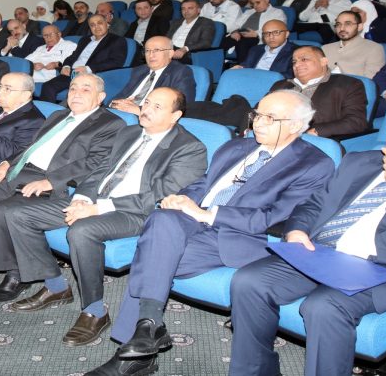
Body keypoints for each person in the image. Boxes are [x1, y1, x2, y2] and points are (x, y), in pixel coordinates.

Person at [87, 91, 335, 376]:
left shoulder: (314, 164)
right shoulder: (236, 147)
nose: (258, 122)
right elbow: (204, 184)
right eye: (257, 114)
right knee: (162, 219)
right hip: (194, 218)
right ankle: (149, 326)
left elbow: (273, 217)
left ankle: (133, 353)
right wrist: (182, 198)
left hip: (239, 234)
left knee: (152, 255)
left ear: (295, 125)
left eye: (270, 118)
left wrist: (209, 214)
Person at [228, 109, 386, 376]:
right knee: (248, 281)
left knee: (323, 307)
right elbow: (314, 203)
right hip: (322, 253)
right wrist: (297, 230)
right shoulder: (360, 161)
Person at [1, 88, 207, 346]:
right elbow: (99, 172)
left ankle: (95, 312)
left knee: (82, 230)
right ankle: (56, 286)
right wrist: (82, 198)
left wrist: (98, 208)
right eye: (146, 103)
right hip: (97, 200)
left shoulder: (189, 148)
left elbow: (158, 196)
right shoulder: (129, 133)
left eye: (157, 107)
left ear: (175, 116)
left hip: (136, 212)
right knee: (16, 213)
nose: (146, 109)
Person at [0, 74, 124, 301]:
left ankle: (16, 273)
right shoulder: (59, 116)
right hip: (20, 173)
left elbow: (95, 163)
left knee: (5, 212)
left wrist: (51, 181)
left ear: (101, 97)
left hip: (51, 182)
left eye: (85, 89)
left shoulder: (110, 124)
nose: (76, 93)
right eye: (72, 88)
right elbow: (30, 147)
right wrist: (6, 164)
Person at [268, 46, 369, 137]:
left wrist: (317, 131)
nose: (297, 65)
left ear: (323, 62)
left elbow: (356, 122)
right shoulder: (281, 85)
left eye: (304, 59)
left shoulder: (347, 84)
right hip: (272, 135)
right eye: (294, 62)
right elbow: (261, 111)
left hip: (311, 140)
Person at [39, 14, 126, 102]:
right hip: (72, 73)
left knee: (75, 93)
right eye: (92, 25)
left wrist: (88, 68)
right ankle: (48, 111)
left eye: (100, 23)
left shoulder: (117, 40)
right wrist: (66, 66)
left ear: (107, 24)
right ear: (90, 28)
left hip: (93, 75)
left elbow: (116, 62)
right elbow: (72, 57)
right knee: (47, 86)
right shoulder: (85, 40)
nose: (96, 27)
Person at [108, 36, 195, 115]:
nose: (151, 55)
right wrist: (115, 104)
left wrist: (139, 110)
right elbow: (121, 95)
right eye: (147, 51)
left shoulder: (180, 72)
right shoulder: (139, 70)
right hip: (122, 113)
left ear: (170, 53)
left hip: (149, 119)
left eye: (156, 50)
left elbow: (181, 106)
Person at [220, 0, 286, 62]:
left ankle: (243, 67)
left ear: (266, 0)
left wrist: (256, 34)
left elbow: (278, 29)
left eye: (258, 2)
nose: (255, 6)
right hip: (239, 34)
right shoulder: (249, 12)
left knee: (243, 44)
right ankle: (220, 66)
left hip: (257, 37)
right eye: (253, 3)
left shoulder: (277, 13)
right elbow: (236, 24)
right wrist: (235, 32)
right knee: (222, 42)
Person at [321, 10, 386, 79]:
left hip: (353, 85)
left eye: (348, 24)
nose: (342, 28)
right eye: (338, 24)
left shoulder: (374, 48)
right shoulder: (325, 48)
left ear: (359, 27)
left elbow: (370, 80)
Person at [230, 19, 296, 78]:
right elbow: (246, 65)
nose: (271, 37)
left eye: (276, 32)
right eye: (266, 33)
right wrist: (240, 67)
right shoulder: (255, 49)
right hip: (249, 80)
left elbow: (291, 75)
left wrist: (261, 77)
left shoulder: (295, 52)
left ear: (286, 34)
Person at [167, 0, 216, 64]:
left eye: (190, 8)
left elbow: (205, 42)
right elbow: (167, 37)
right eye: (183, 9)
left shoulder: (206, 22)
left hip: (188, 52)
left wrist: (185, 49)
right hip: (170, 49)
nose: (186, 11)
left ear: (198, 10)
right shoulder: (175, 22)